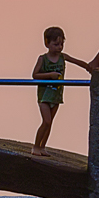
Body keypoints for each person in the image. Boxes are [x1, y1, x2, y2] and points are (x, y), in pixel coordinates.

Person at [31, 26, 68, 155]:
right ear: (47, 43)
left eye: (62, 44)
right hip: (44, 96)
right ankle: (36, 146)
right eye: (56, 44)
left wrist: (90, 67)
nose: (59, 47)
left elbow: (78, 62)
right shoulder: (43, 59)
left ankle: (42, 147)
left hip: (56, 95)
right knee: (46, 121)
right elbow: (34, 75)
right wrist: (50, 75)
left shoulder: (63, 57)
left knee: (50, 122)